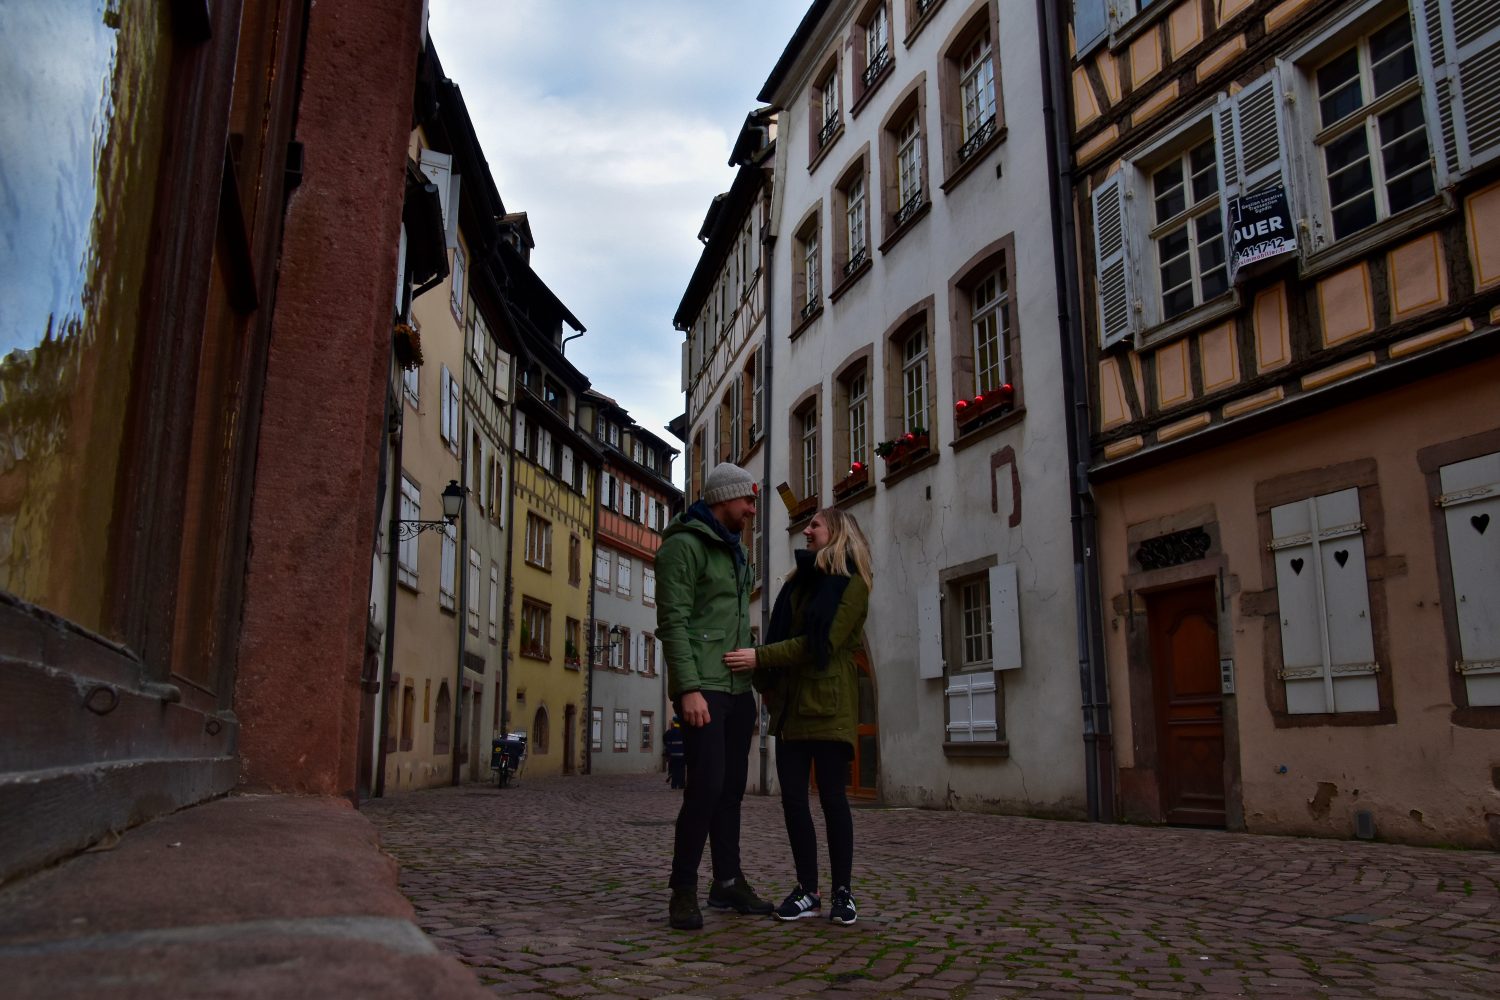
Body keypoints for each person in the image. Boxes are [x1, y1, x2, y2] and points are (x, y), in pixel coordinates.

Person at [724, 507, 872, 927]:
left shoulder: (852, 585)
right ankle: (808, 888)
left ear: (837, 532)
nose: (806, 530)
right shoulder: (795, 584)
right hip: (790, 708)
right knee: (792, 801)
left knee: (831, 800)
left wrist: (759, 656)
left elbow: (817, 643)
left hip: (828, 706)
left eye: (815, 525)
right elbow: (777, 635)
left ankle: (843, 891)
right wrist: (764, 681)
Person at [656, 462, 773, 930]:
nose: (751, 509)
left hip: (736, 689)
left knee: (729, 793)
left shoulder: (734, 550)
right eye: (747, 501)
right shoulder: (683, 548)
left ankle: (727, 882)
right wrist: (687, 689)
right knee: (703, 790)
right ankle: (682, 889)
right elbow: (673, 623)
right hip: (703, 688)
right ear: (724, 498)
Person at [663, 716, 686, 789]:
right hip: (682, 755)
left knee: (674, 770)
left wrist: (669, 747)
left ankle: (674, 784)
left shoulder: (669, 732)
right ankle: (681, 785)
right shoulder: (684, 732)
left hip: (672, 755)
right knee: (681, 771)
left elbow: (665, 739)